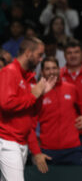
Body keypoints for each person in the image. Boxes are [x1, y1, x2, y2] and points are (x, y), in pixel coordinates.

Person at [0, 38, 56, 181]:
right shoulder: (9, 72)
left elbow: (31, 115)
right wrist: (33, 95)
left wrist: (41, 95)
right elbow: (6, 104)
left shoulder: (30, 78)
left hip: (22, 143)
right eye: (39, 54)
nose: (40, 59)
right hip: (7, 141)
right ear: (28, 53)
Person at [28, 56, 82, 173]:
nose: (52, 72)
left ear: (59, 69)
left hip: (73, 150)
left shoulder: (71, 88)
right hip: (48, 152)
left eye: (54, 68)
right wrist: (36, 153)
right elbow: (30, 127)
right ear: (42, 72)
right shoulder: (37, 93)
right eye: (47, 69)